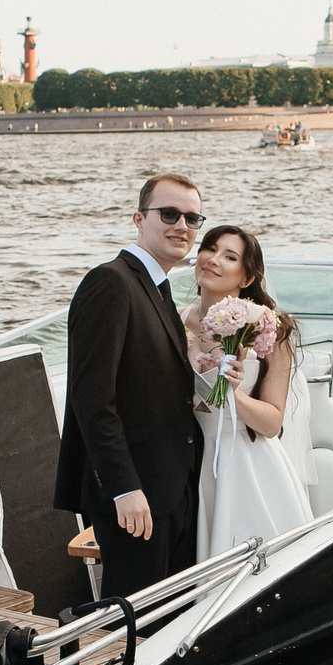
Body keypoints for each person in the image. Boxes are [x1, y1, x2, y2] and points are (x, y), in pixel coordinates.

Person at [55, 174, 211, 598]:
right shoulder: (110, 283)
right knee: (133, 621)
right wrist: (123, 487)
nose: (182, 225)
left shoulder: (159, 290)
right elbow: (92, 400)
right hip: (134, 495)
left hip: (172, 487)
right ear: (139, 219)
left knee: (169, 614)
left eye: (193, 218)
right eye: (170, 214)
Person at [183, 224, 315, 554]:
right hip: (190, 463)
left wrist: (232, 393)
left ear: (246, 278)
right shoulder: (174, 322)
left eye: (229, 256)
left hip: (247, 464)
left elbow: (271, 424)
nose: (213, 259)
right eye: (209, 249)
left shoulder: (270, 330)